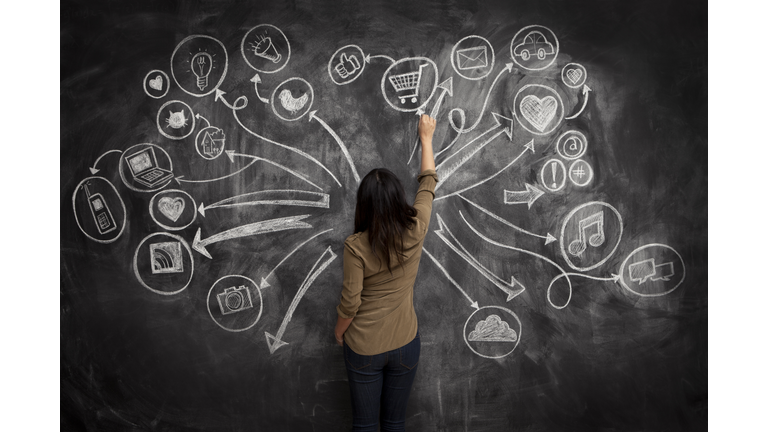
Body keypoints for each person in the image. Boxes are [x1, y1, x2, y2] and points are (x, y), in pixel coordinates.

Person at [335, 114, 438, 432]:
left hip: (365, 346)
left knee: (365, 425)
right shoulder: (416, 228)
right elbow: (428, 183)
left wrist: (339, 333)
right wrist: (426, 138)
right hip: (406, 342)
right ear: (397, 199)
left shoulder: (355, 246)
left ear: (363, 205)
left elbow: (350, 304)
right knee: (395, 422)